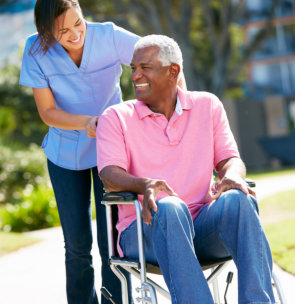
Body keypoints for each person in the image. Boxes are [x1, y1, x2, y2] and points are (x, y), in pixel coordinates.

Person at [96, 35, 276, 304]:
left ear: (173, 71)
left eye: (145, 67)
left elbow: (230, 159)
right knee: (170, 207)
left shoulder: (208, 105)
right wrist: (143, 184)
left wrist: (232, 176)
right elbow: (109, 174)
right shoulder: (116, 117)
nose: (135, 76)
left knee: (239, 199)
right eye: (133, 68)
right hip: (146, 231)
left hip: (201, 226)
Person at [19, 0, 140, 303]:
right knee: (76, 244)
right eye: (63, 31)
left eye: (79, 23)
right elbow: (47, 112)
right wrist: (86, 122)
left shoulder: (109, 36)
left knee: (111, 239)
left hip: (110, 151)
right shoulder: (35, 51)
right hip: (65, 154)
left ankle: (115, 299)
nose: (75, 34)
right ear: (46, 32)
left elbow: (156, 57)